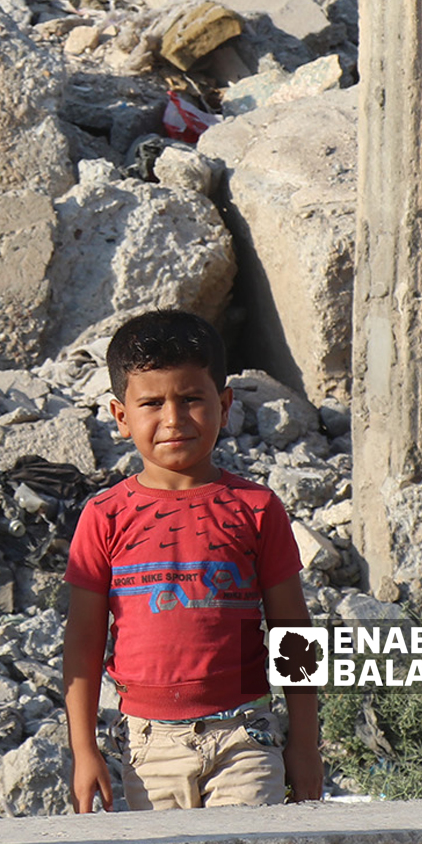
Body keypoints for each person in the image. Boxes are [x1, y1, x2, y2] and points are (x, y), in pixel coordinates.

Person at [63, 310, 321, 813]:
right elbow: (84, 641)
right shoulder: (104, 516)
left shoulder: (257, 508)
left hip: (246, 737)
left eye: (191, 399)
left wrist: (306, 744)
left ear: (224, 405)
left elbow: (294, 629)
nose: (174, 419)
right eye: (152, 403)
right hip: (148, 748)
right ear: (121, 416)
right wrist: (83, 749)